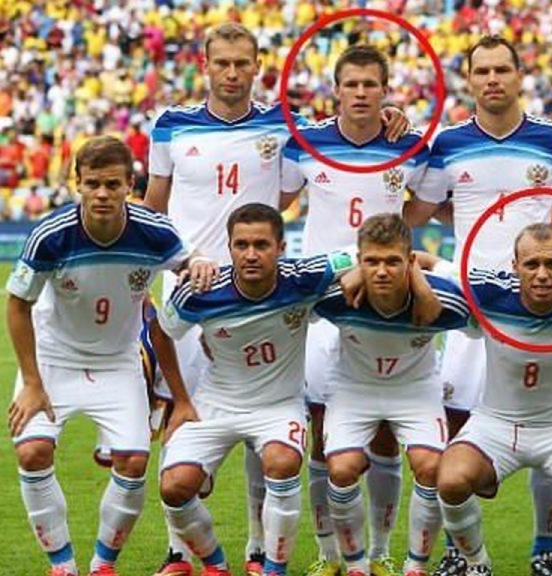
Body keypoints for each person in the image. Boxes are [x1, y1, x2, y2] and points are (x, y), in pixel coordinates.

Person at [144, 23, 410, 576]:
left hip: (262, 289)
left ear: (258, 66)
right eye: (223, 63)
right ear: (206, 65)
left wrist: (388, 118)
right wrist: (160, 272)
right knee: (179, 415)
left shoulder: (284, 128)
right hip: (192, 290)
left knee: (261, 426)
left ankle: (256, 547)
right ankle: (177, 551)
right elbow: (153, 207)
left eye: (244, 63)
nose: (234, 73)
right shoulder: (170, 125)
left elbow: (335, 143)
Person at [408, 34, 552, 575]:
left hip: (540, 301)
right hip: (472, 302)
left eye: (501, 70)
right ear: (469, 80)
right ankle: (457, 554)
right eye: (482, 71)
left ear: (519, 76)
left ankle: (545, 551)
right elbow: (418, 213)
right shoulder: (448, 143)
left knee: (549, 421)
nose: (492, 79)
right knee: (459, 422)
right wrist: (466, 229)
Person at [5, 136, 212, 576]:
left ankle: (102, 566)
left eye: (112, 185)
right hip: (52, 360)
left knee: (134, 462)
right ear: (77, 184)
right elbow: (17, 304)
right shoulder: (50, 234)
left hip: (118, 362)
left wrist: (200, 263)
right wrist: (32, 383)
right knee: (33, 452)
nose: (102, 194)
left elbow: (190, 261)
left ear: (129, 186)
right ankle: (63, 567)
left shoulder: (152, 231)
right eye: (93, 184)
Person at [280, 45, 430, 576]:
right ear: (336, 90)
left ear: (386, 90)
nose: (362, 93)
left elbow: (418, 210)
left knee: (386, 429)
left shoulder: (411, 146)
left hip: (387, 298)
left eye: (372, 84)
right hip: (323, 303)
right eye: (352, 84)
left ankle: (383, 551)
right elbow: (277, 202)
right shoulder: (304, 144)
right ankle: (329, 555)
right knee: (324, 429)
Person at [157, 203, 363, 576]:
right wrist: (182, 400)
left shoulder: (304, 276)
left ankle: (273, 568)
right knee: (174, 487)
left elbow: (370, 250)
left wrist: (357, 271)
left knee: (282, 463)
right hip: (215, 403)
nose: (250, 254)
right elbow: (161, 329)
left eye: (262, 245)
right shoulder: (201, 291)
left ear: (281, 247)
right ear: (229, 246)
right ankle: (215, 565)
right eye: (241, 245)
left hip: (278, 406)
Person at [422, 223, 552, 576]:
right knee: (450, 480)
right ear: (514, 266)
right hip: (495, 425)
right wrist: (415, 262)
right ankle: (476, 563)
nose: (543, 274)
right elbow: (437, 275)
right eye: (532, 265)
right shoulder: (487, 294)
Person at [313, 214, 470, 576]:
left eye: (392, 261)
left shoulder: (444, 298)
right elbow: (292, 293)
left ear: (409, 261)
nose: (382, 271)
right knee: (341, 468)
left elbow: (482, 315)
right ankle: (355, 565)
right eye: (372, 261)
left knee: (431, 467)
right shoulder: (335, 295)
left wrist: (426, 277)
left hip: (415, 390)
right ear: (358, 260)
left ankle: (414, 565)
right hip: (354, 388)